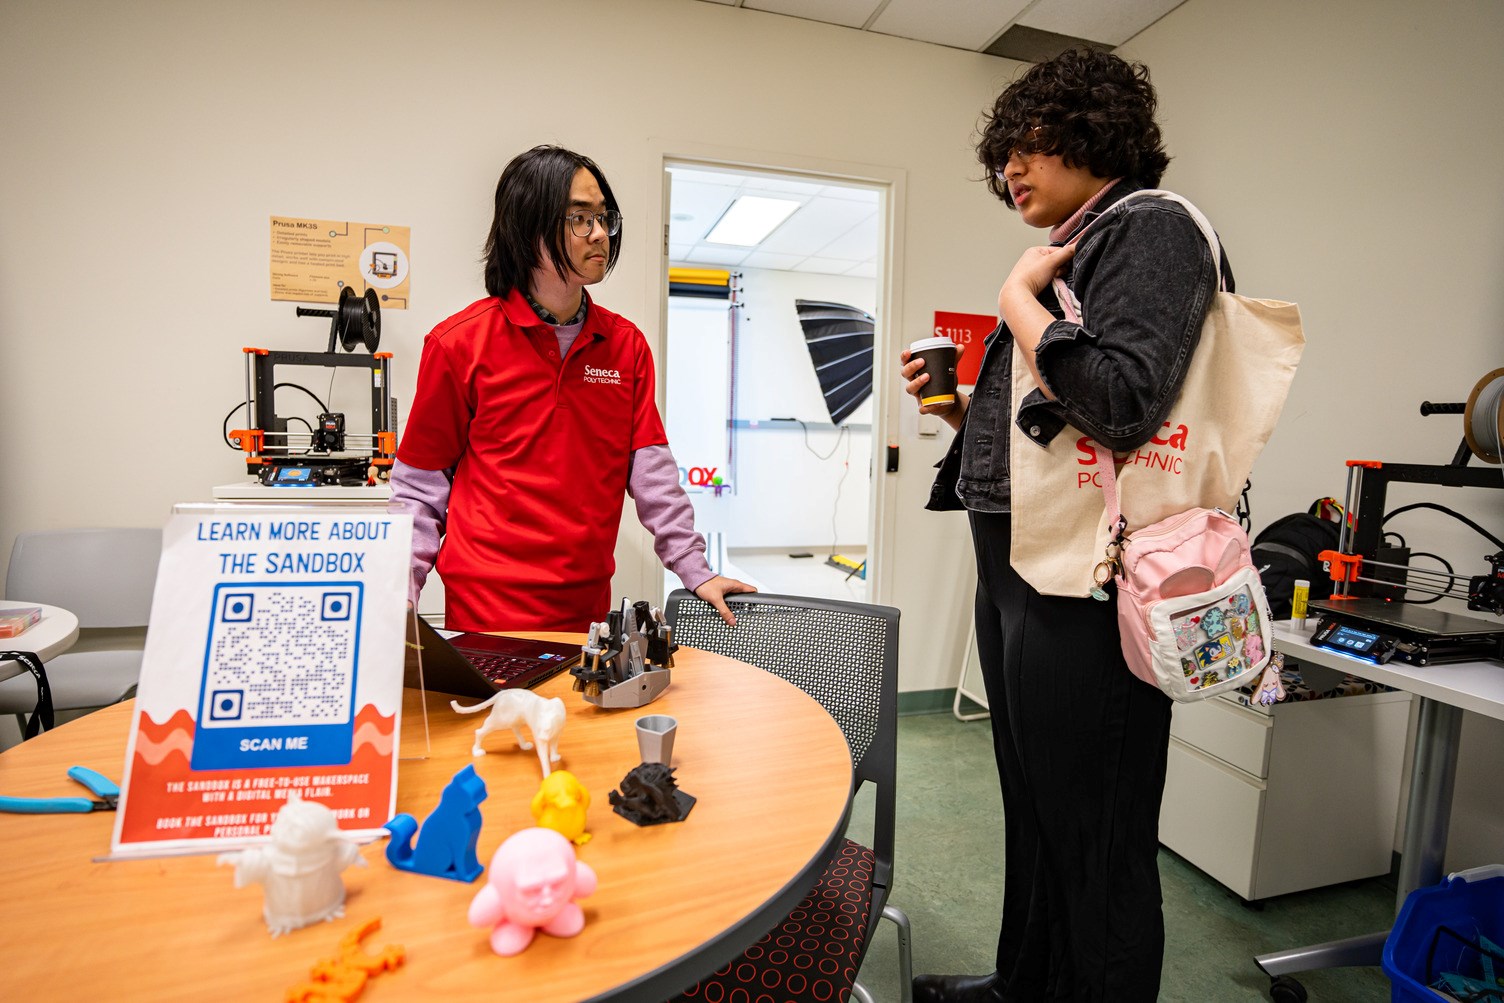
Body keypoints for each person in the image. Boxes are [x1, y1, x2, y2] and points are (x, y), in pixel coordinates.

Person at [900, 50, 1233, 1002]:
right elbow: (1062, 431)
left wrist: (1016, 303)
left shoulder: (1155, 230)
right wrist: (966, 415)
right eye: (1001, 151)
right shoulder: (1082, 245)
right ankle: (1024, 981)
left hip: (1088, 586)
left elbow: (1124, 399)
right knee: (1036, 805)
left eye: (1029, 142)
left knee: (1098, 834)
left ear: (1094, 132)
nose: (1009, 166)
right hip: (1020, 566)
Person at [391, 145, 753, 632]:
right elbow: (419, 490)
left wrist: (694, 569)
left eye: (604, 217)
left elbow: (651, 472)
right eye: (579, 218)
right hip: (483, 610)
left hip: (585, 611)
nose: (600, 233)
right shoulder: (458, 344)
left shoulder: (625, 346)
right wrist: (398, 598)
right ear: (528, 225)